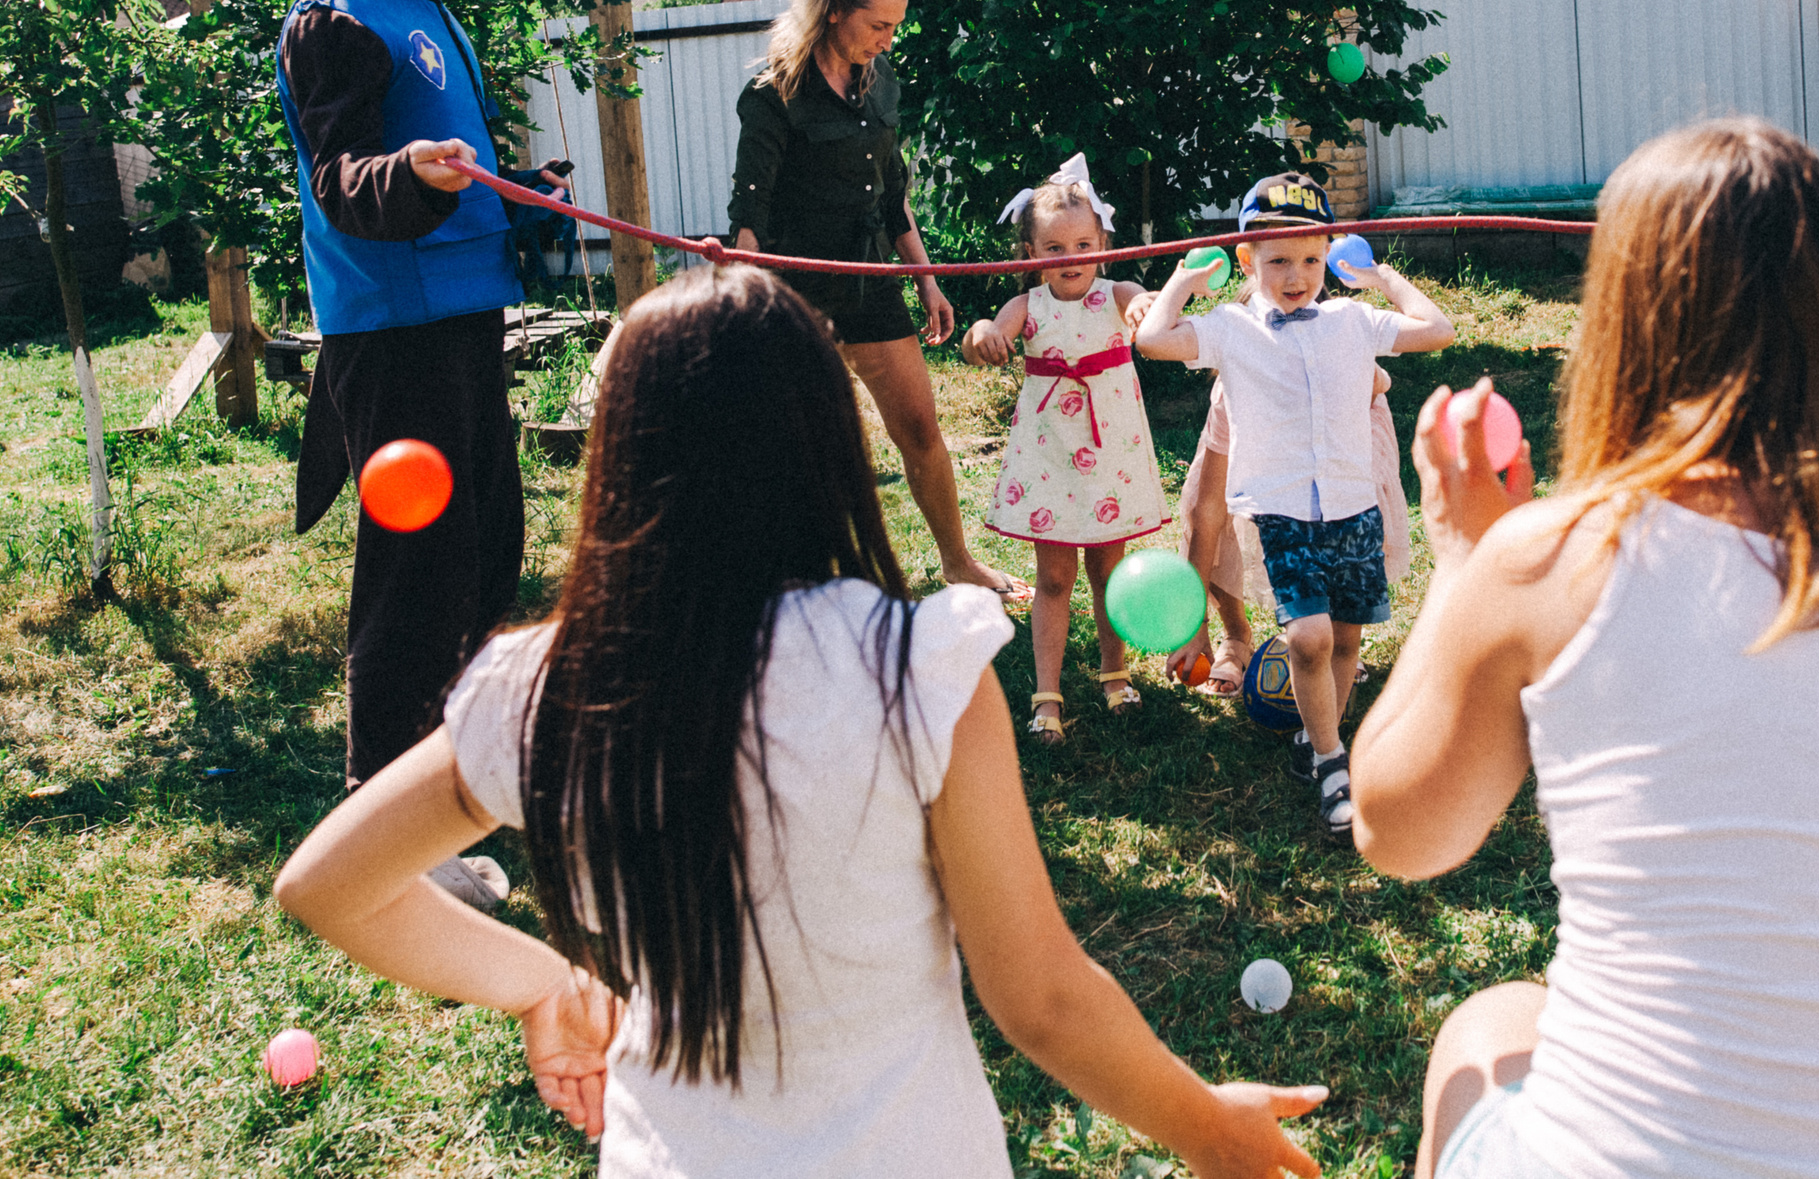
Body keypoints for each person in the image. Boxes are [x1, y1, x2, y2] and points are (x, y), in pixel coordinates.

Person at [273, 264, 1326, 1177]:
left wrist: (543, 985)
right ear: (825, 446)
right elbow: (1040, 999)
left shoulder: (543, 686)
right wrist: (1202, 1125)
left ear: (621, 459)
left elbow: (324, 885)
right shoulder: (918, 669)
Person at [1352, 119, 1819, 1179]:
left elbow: (1399, 832)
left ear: (1626, 322)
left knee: (1488, 1026)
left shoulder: (1550, 560)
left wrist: (1461, 564)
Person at [279, 0, 566, 910]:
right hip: (394, 337)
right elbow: (343, 181)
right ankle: (388, 834)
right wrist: (411, 172)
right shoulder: (335, 16)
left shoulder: (422, 5)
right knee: (413, 582)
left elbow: (446, 171)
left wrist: (519, 198)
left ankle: (451, 784)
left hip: (461, 324)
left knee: (485, 554)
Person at [1136, 174, 1454, 838]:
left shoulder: (1351, 321)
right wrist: (1186, 279)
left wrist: (1381, 277)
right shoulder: (1231, 329)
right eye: (1278, 259)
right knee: (1309, 636)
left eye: (1311, 258)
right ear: (1247, 258)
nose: (1295, 275)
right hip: (1283, 511)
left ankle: (1316, 737)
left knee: (1345, 639)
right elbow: (1154, 340)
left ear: (1329, 256)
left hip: (1352, 506)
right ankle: (1335, 765)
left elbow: (1438, 329)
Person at [728, 0, 1026, 601]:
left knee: (920, 427)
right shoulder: (774, 95)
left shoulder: (878, 79)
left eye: (895, 26)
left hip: (872, 282)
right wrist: (749, 310)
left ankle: (958, 562)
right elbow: (749, 215)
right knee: (801, 447)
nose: (888, 39)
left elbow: (893, 198)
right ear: (833, 9)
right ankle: (786, 579)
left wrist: (927, 282)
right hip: (798, 295)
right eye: (878, 25)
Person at [960, 155, 1167, 741]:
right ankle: (1046, 696)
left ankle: (1114, 674)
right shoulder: (1028, 307)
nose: (1071, 258)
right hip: (1050, 459)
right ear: (1031, 254)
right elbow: (982, 340)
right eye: (1054, 248)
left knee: (1109, 572)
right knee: (1053, 578)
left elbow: (1146, 305)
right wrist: (982, 334)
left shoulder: (1118, 293)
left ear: (1103, 245)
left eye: (1083, 245)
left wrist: (1146, 305)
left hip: (1108, 459)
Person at [1165, 371, 1409, 698]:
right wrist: (1194, 624)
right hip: (1262, 422)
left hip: (1340, 431)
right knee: (1219, 500)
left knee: (1334, 523)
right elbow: (1208, 509)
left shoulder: (1341, 374)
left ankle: (1337, 642)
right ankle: (1236, 636)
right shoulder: (1237, 390)